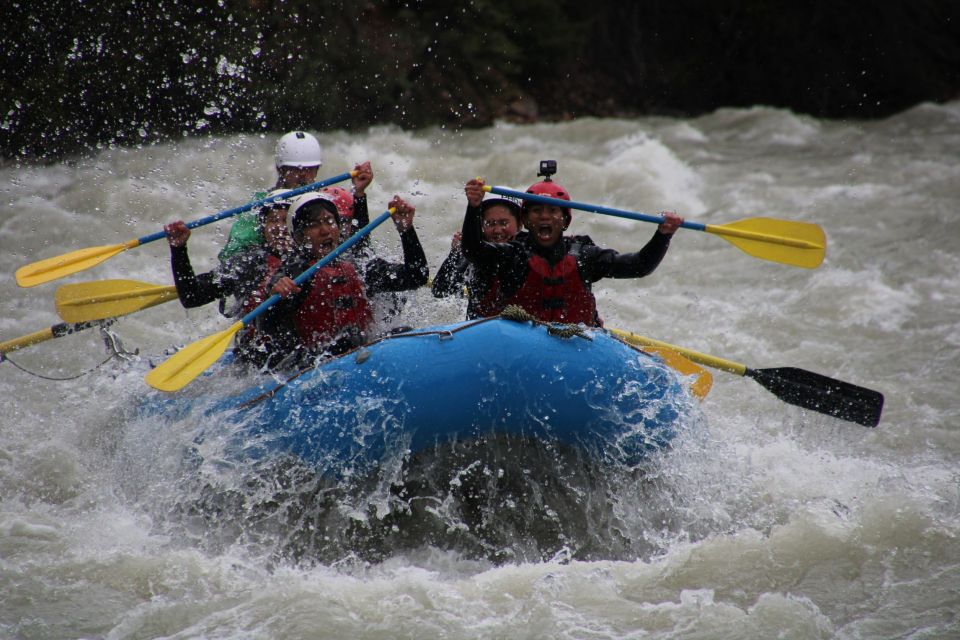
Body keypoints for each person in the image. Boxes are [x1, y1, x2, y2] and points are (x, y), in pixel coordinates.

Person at [459, 171, 683, 326]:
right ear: (525, 221)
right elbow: (473, 250)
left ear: (564, 221)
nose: (545, 216)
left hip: (577, 348)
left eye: (553, 211)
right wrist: (474, 207)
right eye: (537, 211)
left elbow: (639, 266)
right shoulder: (513, 254)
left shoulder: (584, 255)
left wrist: (663, 235)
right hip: (523, 350)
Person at [263, 191, 428, 367]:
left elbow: (417, 276)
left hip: (363, 355)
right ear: (299, 237)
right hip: (315, 364)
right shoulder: (295, 273)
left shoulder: (360, 266)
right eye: (314, 225)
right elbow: (267, 326)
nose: (325, 230)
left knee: (403, 333)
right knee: (344, 341)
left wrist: (406, 231)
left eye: (329, 222)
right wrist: (275, 296)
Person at [164, 191, 294, 366]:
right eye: (273, 220)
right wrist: (179, 250)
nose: (279, 227)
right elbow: (191, 296)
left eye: (285, 220)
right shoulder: (249, 264)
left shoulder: (318, 259)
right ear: (263, 228)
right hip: (258, 360)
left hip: (303, 354)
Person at [431, 195, 524, 319]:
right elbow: (440, 290)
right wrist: (455, 253)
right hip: (479, 327)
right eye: (490, 223)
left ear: (520, 225)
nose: (497, 230)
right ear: (481, 227)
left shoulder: (527, 248)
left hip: (522, 326)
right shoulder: (475, 251)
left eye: (504, 223)